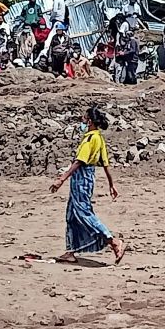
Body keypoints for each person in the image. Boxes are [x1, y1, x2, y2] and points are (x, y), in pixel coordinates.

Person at [49, 106, 125, 264]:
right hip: (87, 177)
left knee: (84, 213)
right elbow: (105, 164)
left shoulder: (91, 138)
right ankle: (70, 251)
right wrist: (112, 184)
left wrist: (62, 178)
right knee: (71, 215)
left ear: (90, 121)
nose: (82, 121)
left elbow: (79, 161)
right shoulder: (98, 137)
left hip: (82, 178)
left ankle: (113, 242)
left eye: (84, 119)